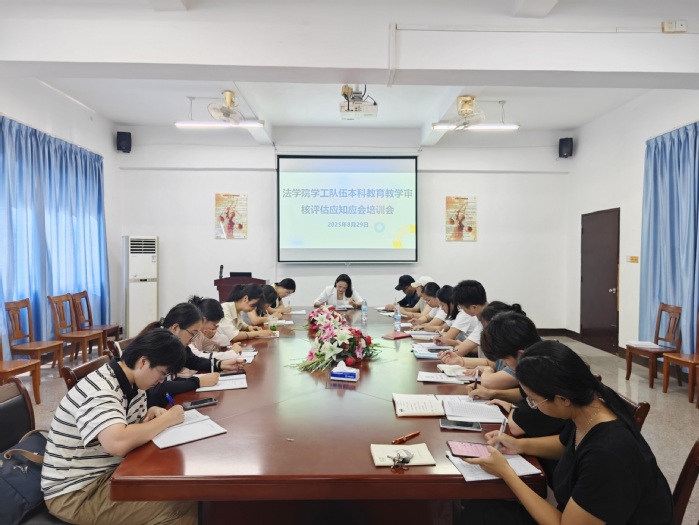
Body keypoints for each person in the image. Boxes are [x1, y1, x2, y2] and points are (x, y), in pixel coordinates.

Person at [462, 340, 673, 525]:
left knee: (480, 515)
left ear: (562, 399)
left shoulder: (608, 452)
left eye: (534, 401)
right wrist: (519, 445)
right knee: (479, 507)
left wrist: (507, 473)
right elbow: (565, 445)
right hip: (579, 510)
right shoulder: (588, 406)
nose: (533, 406)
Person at [41, 330, 198, 525]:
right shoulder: (100, 389)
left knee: (184, 492)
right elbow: (117, 442)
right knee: (177, 508)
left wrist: (150, 414)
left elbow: (126, 428)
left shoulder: (133, 384)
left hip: (108, 473)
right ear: (143, 362)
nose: (161, 381)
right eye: (162, 374)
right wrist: (167, 419)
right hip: (75, 493)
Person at [140, 302, 245, 407]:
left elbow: (193, 361)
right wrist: (198, 382)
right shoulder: (157, 346)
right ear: (175, 328)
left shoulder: (175, 344)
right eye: (193, 334)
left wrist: (221, 364)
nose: (192, 340)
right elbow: (156, 388)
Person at [435, 279, 487, 355]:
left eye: (461, 308)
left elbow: (461, 350)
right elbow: (470, 347)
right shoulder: (482, 319)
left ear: (473, 307)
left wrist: (450, 351)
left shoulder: (488, 321)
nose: (461, 310)